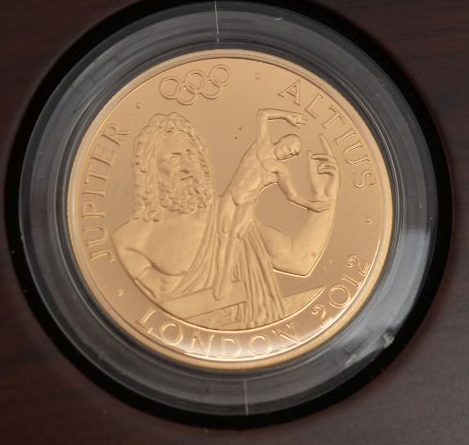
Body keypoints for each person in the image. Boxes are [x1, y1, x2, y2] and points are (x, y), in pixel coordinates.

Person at [113, 112, 339, 327]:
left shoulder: (224, 215)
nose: (187, 166)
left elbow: (299, 261)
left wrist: (324, 200)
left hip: (249, 346)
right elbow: (138, 315)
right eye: (174, 158)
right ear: (150, 168)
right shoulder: (128, 242)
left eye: (191, 155)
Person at [213, 109, 330, 300]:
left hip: (247, 203)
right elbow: (262, 114)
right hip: (231, 195)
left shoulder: (281, 170)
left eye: (292, 153)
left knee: (236, 237)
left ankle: (224, 279)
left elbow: (291, 195)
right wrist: (287, 116)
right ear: (283, 139)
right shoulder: (261, 145)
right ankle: (215, 275)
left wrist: (311, 205)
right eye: (290, 147)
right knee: (221, 234)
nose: (289, 153)